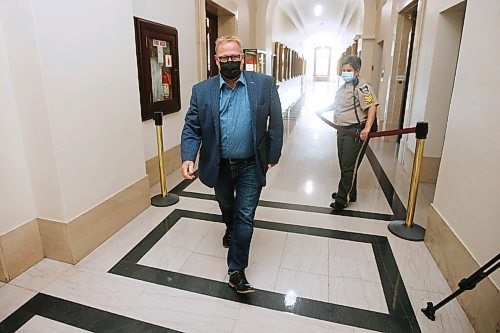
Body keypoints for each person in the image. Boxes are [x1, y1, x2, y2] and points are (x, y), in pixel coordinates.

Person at [180, 36, 283, 293]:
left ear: (242, 58)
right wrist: (188, 156)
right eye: (224, 57)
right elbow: (192, 127)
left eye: (234, 56)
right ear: (216, 60)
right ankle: (229, 227)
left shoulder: (264, 84)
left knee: (245, 215)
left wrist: (273, 154)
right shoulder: (202, 91)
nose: (230, 61)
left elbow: (276, 123)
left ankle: (236, 270)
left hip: (251, 163)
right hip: (219, 165)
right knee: (227, 205)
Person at [330, 55, 378, 211]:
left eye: (348, 70)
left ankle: (342, 199)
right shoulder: (344, 86)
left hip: (355, 132)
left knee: (349, 165)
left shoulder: (363, 87)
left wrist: (367, 128)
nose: (345, 73)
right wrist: (321, 109)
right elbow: (337, 104)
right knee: (345, 163)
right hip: (342, 129)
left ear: (356, 71)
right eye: (343, 70)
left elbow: (372, 106)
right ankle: (351, 192)